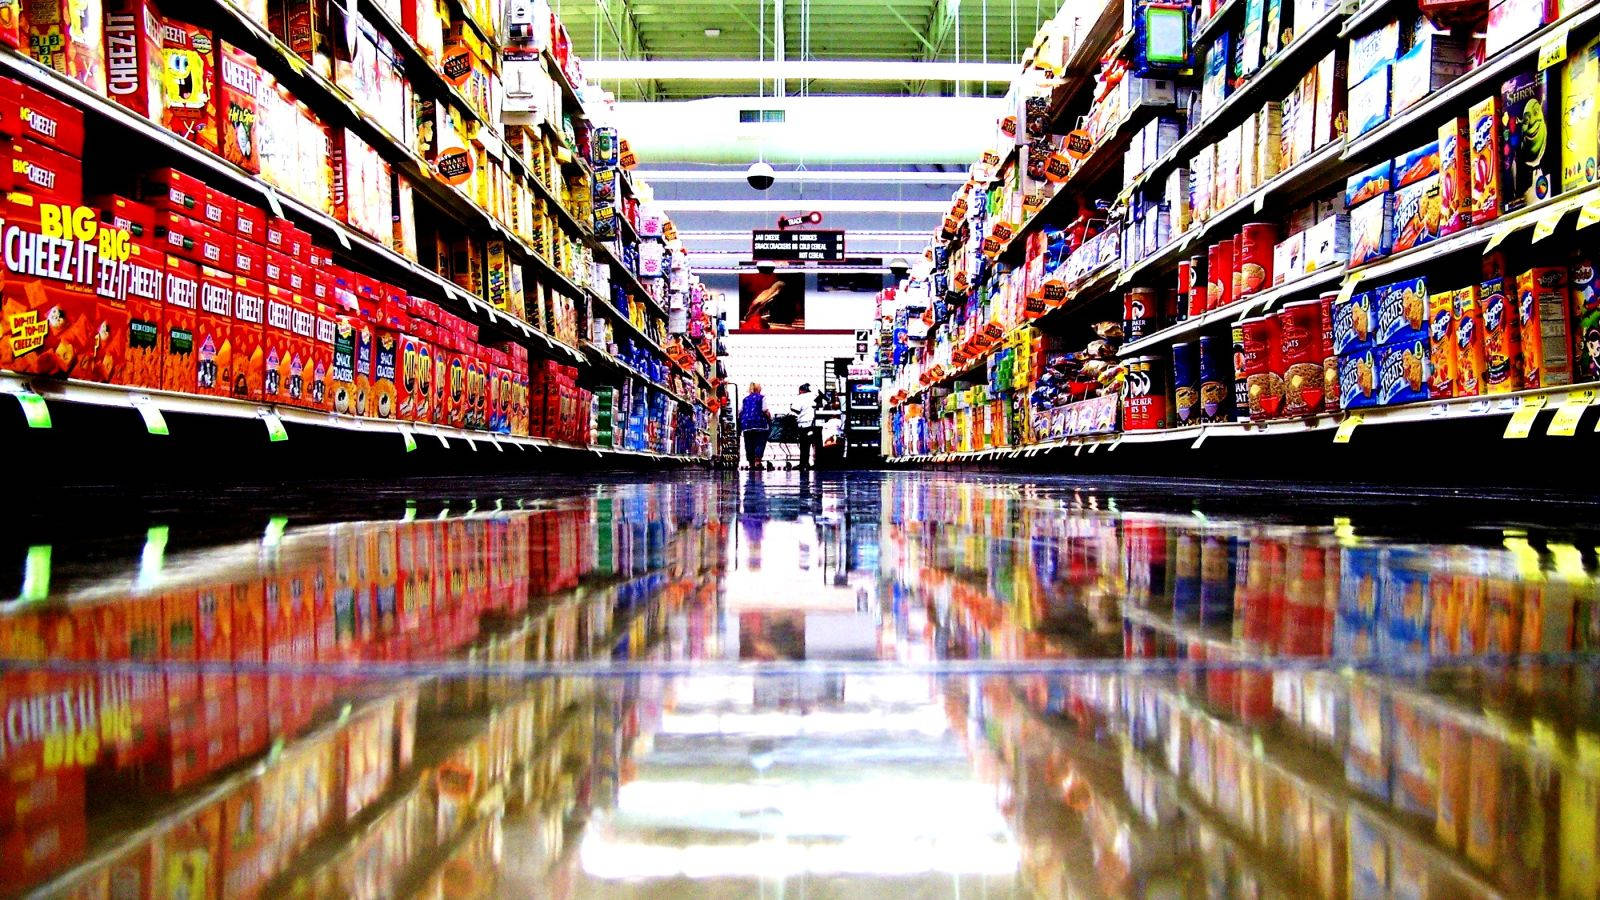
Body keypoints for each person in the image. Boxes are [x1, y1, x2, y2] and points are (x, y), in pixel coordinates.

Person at [739, 383, 771, 468]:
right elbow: (765, 410)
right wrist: (770, 418)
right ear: (759, 389)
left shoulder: (745, 399)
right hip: (759, 423)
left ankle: (751, 463)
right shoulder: (761, 397)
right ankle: (757, 462)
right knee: (760, 442)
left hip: (747, 425)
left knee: (749, 443)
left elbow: (740, 411)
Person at [792, 382, 822, 470]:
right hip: (817, 424)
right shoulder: (816, 395)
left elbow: (795, 410)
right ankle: (817, 463)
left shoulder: (800, 397)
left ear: (801, 390)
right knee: (816, 445)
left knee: (804, 446)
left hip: (804, 425)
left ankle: (804, 464)